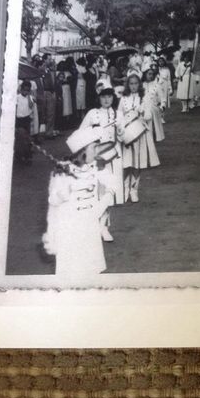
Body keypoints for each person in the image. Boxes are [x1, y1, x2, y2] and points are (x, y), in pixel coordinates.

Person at [42, 126, 115, 281]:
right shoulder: (63, 170)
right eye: (94, 147)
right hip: (70, 231)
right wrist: (62, 193)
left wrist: (108, 194)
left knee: (91, 272)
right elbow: (52, 200)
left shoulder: (95, 169)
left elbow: (101, 200)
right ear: (82, 151)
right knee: (71, 274)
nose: (97, 151)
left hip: (89, 229)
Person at [79, 87, 124, 242]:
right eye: (103, 96)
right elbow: (81, 134)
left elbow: (122, 136)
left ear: (113, 98)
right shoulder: (92, 114)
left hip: (114, 157)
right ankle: (96, 227)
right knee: (97, 193)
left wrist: (120, 130)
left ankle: (104, 227)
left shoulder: (118, 114)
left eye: (109, 97)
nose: (106, 100)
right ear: (98, 98)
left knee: (109, 193)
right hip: (97, 158)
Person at [119, 74, 160, 203]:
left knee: (137, 163)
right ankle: (125, 190)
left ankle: (134, 190)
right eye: (131, 84)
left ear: (139, 84)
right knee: (126, 163)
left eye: (136, 83)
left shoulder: (144, 97)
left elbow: (149, 116)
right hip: (127, 134)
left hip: (140, 134)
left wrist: (142, 112)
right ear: (127, 85)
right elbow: (119, 115)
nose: (133, 86)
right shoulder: (123, 98)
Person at [14, 80, 35, 165]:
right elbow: (15, 109)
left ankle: (27, 156)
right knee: (20, 139)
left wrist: (29, 96)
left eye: (27, 90)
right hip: (19, 120)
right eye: (24, 90)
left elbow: (31, 106)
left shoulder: (30, 97)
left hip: (27, 119)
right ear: (21, 89)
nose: (25, 92)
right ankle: (19, 156)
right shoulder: (17, 97)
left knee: (28, 139)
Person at [143, 69, 166, 142]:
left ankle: (153, 136)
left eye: (152, 74)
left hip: (154, 108)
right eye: (149, 74)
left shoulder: (157, 85)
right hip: (142, 108)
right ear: (145, 74)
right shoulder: (141, 85)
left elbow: (162, 98)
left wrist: (162, 106)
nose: (151, 76)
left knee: (151, 111)